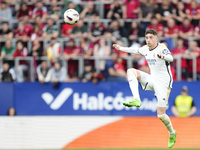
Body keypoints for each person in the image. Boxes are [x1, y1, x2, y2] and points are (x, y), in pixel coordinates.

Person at [113, 29, 177, 148]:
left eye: (151, 37)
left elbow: (171, 58)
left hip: (164, 84)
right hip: (153, 79)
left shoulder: (161, 47)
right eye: (147, 37)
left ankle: (172, 133)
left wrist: (163, 56)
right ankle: (136, 99)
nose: (148, 40)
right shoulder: (145, 49)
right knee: (130, 71)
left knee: (161, 115)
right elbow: (135, 50)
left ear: (156, 38)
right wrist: (120, 48)